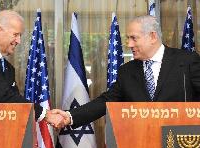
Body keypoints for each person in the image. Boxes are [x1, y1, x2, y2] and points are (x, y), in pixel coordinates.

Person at [51, 15, 200, 128]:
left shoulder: (186, 61)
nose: (129, 44)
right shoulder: (127, 71)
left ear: (153, 36)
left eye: (134, 38)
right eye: (128, 38)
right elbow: (107, 101)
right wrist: (70, 116)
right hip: (140, 142)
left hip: (181, 140)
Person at [0, 10, 63, 125]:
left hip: (0, 134)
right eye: (15, 34)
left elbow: (13, 100)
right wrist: (46, 115)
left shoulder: (8, 67)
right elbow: (5, 96)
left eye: (20, 35)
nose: (19, 41)